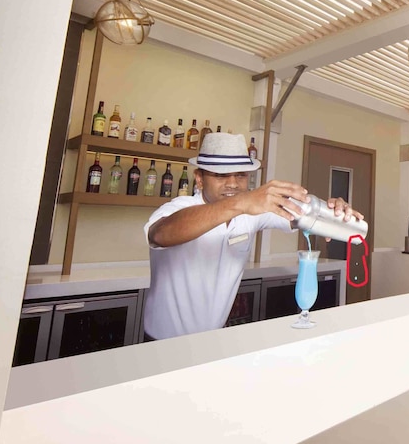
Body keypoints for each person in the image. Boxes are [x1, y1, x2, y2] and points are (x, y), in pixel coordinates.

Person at [142, 132, 362, 340]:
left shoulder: (250, 213)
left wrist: (334, 213)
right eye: (220, 175)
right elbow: (160, 234)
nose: (233, 183)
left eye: (241, 175)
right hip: (162, 341)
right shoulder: (179, 207)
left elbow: (303, 215)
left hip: (214, 338)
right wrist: (240, 203)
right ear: (199, 179)